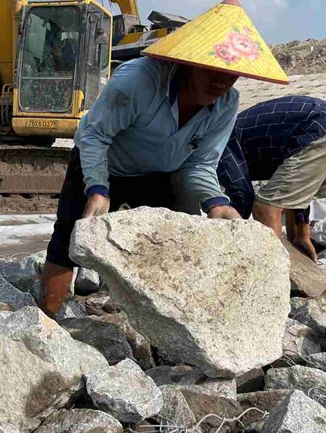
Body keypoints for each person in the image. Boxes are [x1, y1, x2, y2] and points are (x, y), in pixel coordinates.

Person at [39, 0, 290, 316]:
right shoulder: (139, 81)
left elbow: (199, 163)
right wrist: (98, 189)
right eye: (213, 71)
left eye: (231, 75)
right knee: (68, 237)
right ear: (188, 61)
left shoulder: (226, 102)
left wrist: (216, 202)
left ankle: (174, 330)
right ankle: (45, 323)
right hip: (104, 163)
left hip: (164, 174)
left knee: (181, 245)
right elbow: (94, 136)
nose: (221, 83)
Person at [217, 95, 326, 261]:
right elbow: (298, 190)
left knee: (266, 207)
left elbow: (242, 194)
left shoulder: (218, 143)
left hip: (324, 127)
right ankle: (296, 242)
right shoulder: (249, 138)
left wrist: (230, 238)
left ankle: (273, 272)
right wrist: (302, 232)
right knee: (282, 196)